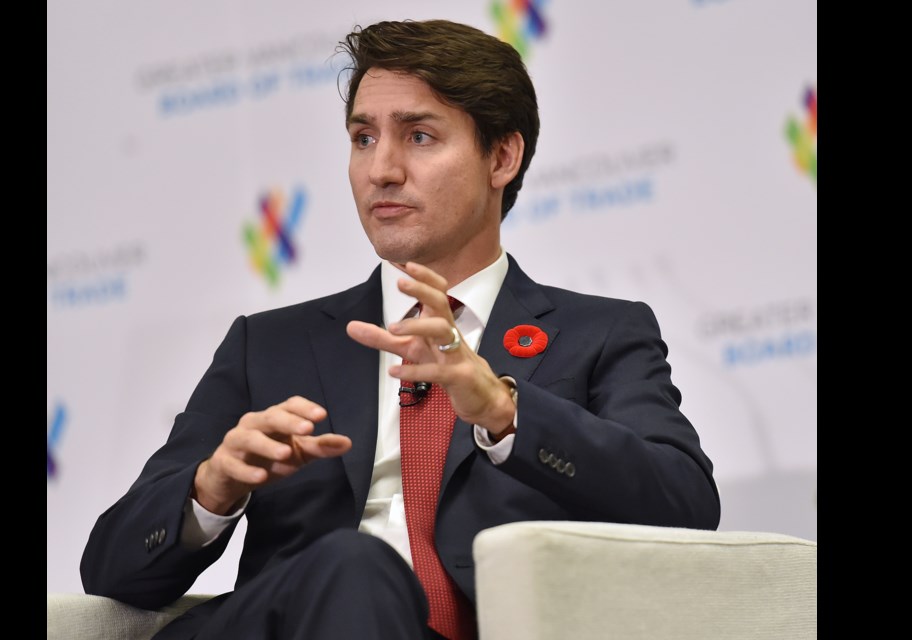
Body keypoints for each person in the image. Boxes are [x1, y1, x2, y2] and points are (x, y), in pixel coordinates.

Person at [80, 18, 720, 640]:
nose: (381, 169)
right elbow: (109, 567)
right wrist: (211, 489)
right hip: (290, 622)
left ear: (502, 156)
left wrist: (504, 412)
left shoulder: (600, 333)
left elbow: (687, 508)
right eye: (363, 139)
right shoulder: (268, 344)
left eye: (418, 137)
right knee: (354, 566)